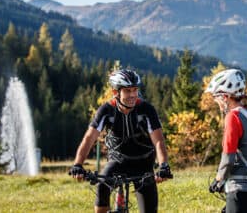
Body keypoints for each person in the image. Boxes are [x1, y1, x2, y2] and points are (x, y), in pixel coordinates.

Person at [69, 69, 172, 213]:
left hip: (144, 164)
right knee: (102, 186)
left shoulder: (146, 110)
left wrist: (163, 166)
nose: (133, 95)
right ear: (115, 92)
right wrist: (78, 165)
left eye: (135, 90)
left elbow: (158, 141)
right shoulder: (106, 110)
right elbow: (89, 138)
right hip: (118, 161)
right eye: (127, 91)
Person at [206, 69, 247, 213]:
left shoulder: (233, 117)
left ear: (225, 97)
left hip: (240, 190)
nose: (216, 102)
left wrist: (219, 179)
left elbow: (228, 157)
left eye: (216, 97)